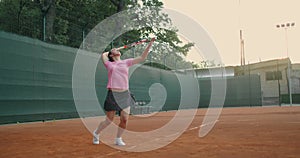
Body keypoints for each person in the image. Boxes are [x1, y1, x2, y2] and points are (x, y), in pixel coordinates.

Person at [93, 38, 155, 146]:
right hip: (113, 94)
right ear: (111, 55)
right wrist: (111, 51)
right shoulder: (109, 64)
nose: (116, 50)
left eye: (117, 50)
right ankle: (96, 133)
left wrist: (150, 44)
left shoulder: (126, 62)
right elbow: (103, 55)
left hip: (125, 94)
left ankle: (118, 138)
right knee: (109, 120)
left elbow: (142, 57)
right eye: (114, 51)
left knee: (125, 119)